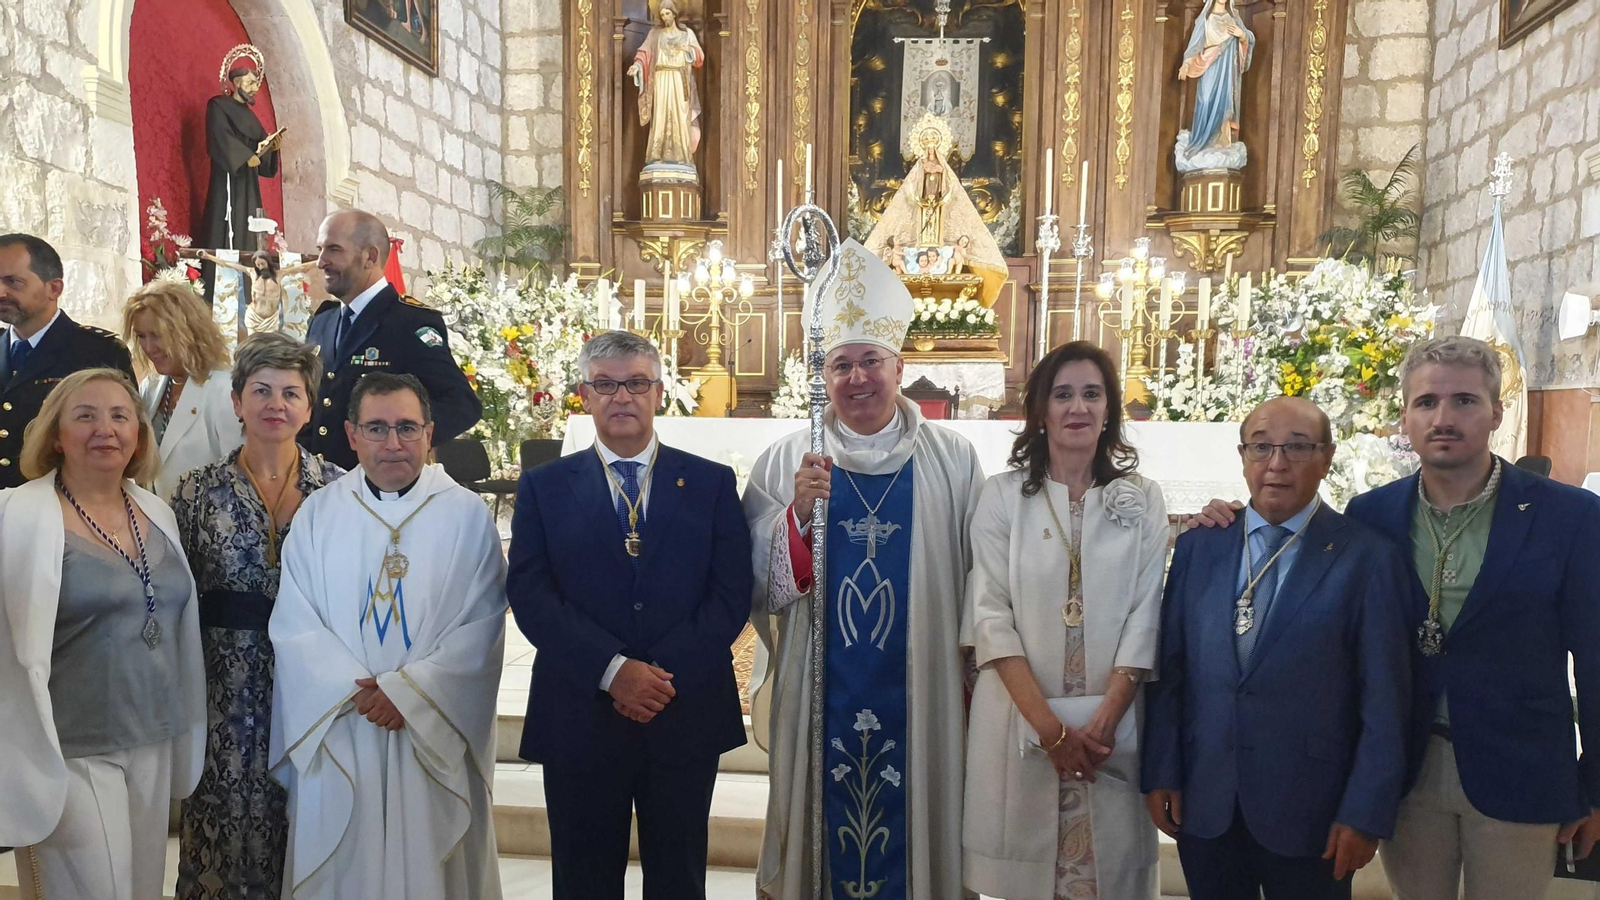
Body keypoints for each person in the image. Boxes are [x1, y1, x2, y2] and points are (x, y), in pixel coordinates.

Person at [1190, 335, 1600, 898]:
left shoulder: (1570, 517)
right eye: (1427, 403)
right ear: (1405, 417)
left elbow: (1597, 659)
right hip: (1407, 773)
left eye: (1464, 401)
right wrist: (1232, 517)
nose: (1444, 418)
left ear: (1496, 414)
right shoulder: (1373, 514)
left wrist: (1595, 787)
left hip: (1521, 768)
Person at [745, 239, 986, 899]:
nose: (857, 378)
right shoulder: (786, 460)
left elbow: (980, 578)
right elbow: (754, 584)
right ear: (822, 375)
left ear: (899, 365)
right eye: (840, 364)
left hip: (924, 688)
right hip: (816, 684)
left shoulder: (952, 460)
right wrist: (794, 515)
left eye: (870, 362)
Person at [506, 330, 753, 900]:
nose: (622, 397)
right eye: (606, 385)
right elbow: (531, 594)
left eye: (636, 383)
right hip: (580, 710)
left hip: (683, 707)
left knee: (679, 876)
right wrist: (613, 670)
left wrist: (656, 677)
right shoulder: (545, 487)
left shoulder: (711, 483)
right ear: (584, 396)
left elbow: (730, 594)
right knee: (582, 878)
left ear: (659, 393)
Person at [1141, 396, 1412, 900]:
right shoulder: (1202, 544)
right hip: (1209, 800)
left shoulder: (1367, 557)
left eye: (1297, 448)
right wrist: (1162, 770)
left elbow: (1385, 701)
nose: (1277, 464)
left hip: (1314, 809)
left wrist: (1364, 812)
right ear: (1242, 456)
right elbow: (1171, 671)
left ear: (1327, 457)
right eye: (1261, 447)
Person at [269, 372, 505, 899]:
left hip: (431, 728)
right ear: (351, 435)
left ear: (430, 433)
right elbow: (295, 622)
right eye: (376, 428)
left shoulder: (467, 516)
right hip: (343, 721)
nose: (392, 443)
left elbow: (483, 625)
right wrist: (358, 692)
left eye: (406, 427)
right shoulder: (319, 513)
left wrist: (410, 693)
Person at [963, 342, 1169, 900]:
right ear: (1040, 411)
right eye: (1062, 395)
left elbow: (1146, 613)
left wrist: (1103, 722)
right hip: (1018, 719)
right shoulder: (1003, 496)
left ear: (1108, 411)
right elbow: (990, 615)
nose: (1077, 407)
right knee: (1024, 878)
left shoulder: (1142, 499)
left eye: (1092, 394)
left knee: (1107, 879)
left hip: (1112, 730)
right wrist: (1049, 732)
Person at [0, 368, 205, 898]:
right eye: (85, 416)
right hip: (69, 746)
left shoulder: (155, 511)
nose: (104, 429)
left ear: (139, 433)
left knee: (138, 888)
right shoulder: (18, 517)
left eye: (120, 416)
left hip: (153, 733)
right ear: (55, 434)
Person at [171, 333, 343, 900]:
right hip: (222, 686)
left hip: (313, 683)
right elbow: (180, 596)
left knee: (305, 815)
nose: (276, 404)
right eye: (261, 390)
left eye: (291, 392)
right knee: (222, 821)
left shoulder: (340, 490)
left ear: (309, 408)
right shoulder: (195, 492)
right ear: (236, 402)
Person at [302, 210, 481, 470]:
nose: (321, 262)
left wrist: (401, 447)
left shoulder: (409, 322)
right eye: (320, 249)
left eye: (334, 250)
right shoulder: (323, 321)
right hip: (321, 485)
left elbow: (461, 406)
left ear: (370, 257)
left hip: (380, 487)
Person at [0, 233, 137, 488]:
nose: (1, 292)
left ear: (54, 288)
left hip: (60, 507)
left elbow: (124, 439)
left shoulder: (98, 353)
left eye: (13, 282)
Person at [123, 280, 243, 501]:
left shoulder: (224, 390)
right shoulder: (151, 387)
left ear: (188, 331)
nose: (149, 348)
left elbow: (239, 477)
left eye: (157, 335)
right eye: (141, 336)